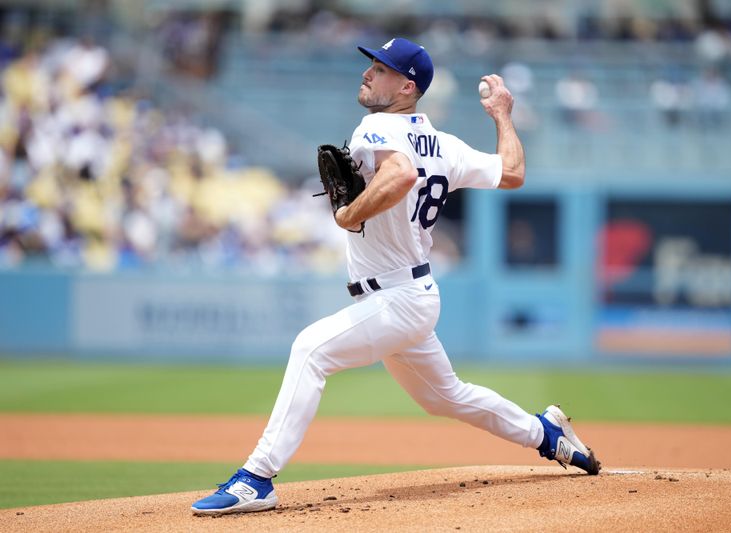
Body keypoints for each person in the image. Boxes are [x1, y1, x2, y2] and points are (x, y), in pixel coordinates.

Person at [191, 37, 600, 516]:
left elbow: (401, 174)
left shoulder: (375, 126)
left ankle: (256, 478)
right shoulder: (445, 145)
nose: (368, 73)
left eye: (381, 68)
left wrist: (348, 213)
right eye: (371, 65)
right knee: (447, 397)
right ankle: (546, 433)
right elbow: (512, 172)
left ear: (407, 86)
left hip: (397, 299)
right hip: (410, 294)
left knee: (310, 350)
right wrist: (503, 116)